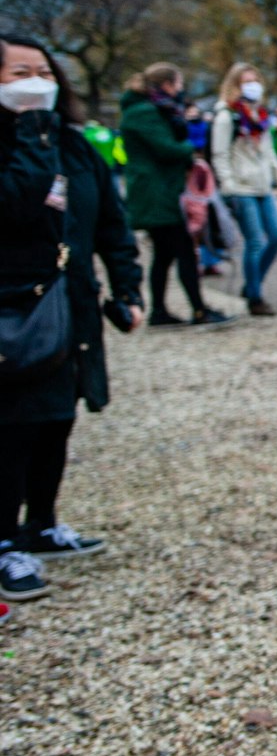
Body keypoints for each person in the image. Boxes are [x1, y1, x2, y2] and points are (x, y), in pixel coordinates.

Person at [0, 34, 144, 605]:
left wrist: (127, 288)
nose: (35, 81)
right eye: (17, 72)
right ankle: (5, 540)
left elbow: (111, 219)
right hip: (15, 310)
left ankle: (42, 522)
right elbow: (17, 202)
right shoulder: (30, 144)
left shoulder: (76, 144)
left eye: (43, 70)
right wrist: (32, 135)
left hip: (71, 305)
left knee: (56, 418)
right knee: (12, 426)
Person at [119, 63, 228, 327]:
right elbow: (166, 148)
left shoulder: (148, 110)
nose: (180, 90)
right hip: (159, 195)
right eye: (178, 84)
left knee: (165, 255)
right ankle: (198, 310)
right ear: (166, 84)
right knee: (184, 253)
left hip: (160, 192)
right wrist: (189, 149)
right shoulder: (143, 113)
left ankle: (159, 312)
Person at [210, 64, 277, 317]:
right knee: (254, 241)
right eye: (246, 81)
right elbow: (219, 154)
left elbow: (268, 151)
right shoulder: (227, 117)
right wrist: (229, 186)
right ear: (235, 85)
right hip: (242, 188)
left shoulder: (261, 117)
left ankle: (252, 284)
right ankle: (255, 297)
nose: (253, 85)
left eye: (255, 80)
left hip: (262, 186)